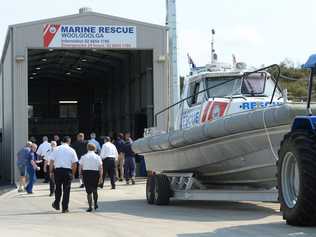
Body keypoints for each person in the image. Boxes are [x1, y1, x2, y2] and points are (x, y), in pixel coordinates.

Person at [49, 136, 78, 213]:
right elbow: (75, 164)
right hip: (67, 171)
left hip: (58, 170)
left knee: (58, 188)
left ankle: (56, 203)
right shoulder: (72, 150)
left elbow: (51, 161)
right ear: (69, 142)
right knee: (66, 190)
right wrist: (73, 173)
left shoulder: (56, 149)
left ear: (62, 141)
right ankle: (65, 208)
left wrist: (51, 172)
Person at [79, 143, 103, 212]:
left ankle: (90, 207)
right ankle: (95, 204)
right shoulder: (97, 157)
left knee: (88, 192)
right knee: (95, 190)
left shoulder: (83, 156)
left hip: (86, 173)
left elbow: (80, 166)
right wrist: (101, 176)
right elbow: (100, 167)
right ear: (94, 149)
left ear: (87, 148)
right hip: (95, 173)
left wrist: (80, 174)